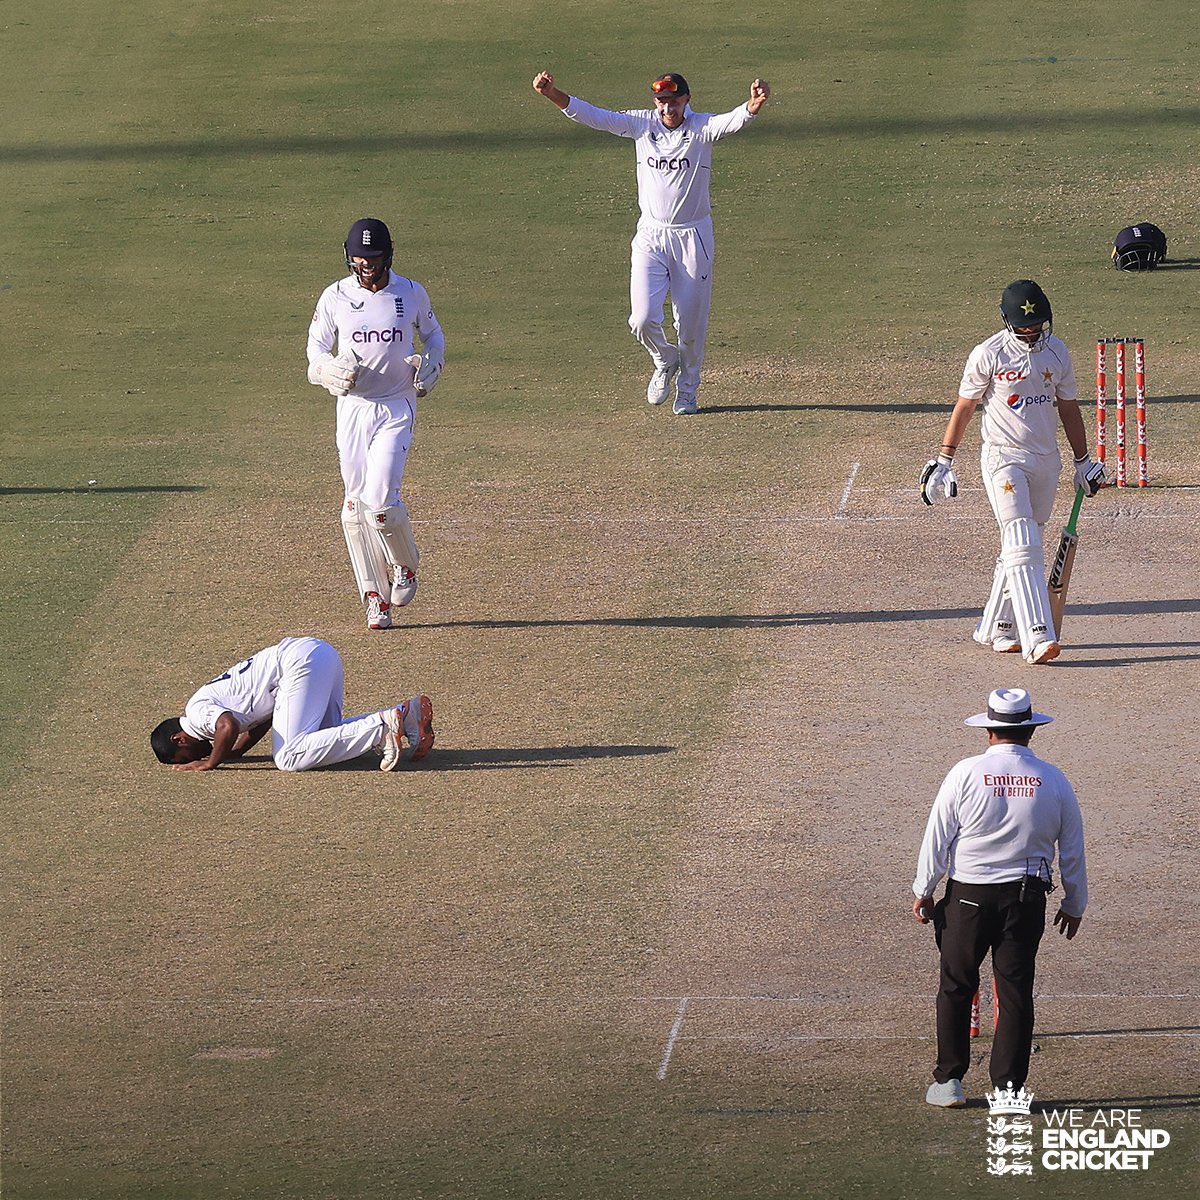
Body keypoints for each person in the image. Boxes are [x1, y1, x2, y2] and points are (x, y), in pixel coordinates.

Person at [532, 69, 770, 415]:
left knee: (690, 324)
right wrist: (553, 94)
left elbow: (732, 121)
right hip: (651, 235)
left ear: (686, 100)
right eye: (662, 101)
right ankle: (664, 358)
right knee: (641, 319)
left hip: (693, 237)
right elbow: (597, 117)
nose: (667, 107)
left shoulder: (701, 128)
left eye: (674, 100)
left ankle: (687, 390)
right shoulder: (643, 125)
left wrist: (752, 105)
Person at [911, 687, 1088, 1108]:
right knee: (1014, 990)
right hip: (1026, 900)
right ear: (1031, 731)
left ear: (989, 730)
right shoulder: (1054, 779)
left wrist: (924, 889)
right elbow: (1073, 847)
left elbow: (938, 837)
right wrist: (1074, 902)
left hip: (968, 896)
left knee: (956, 985)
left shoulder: (965, 773)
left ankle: (949, 1081)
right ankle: (1008, 1090)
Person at [919, 280, 1105, 665]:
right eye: (1025, 325)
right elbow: (966, 406)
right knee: (1021, 537)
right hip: (1003, 457)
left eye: (1038, 323)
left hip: (1046, 459)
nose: (1032, 330)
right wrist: (945, 459)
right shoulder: (989, 354)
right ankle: (1038, 634)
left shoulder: (1057, 352)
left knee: (1027, 538)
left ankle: (996, 627)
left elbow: (1068, 409)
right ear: (1007, 321)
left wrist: (1083, 460)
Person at [307, 217, 445, 630]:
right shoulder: (334, 296)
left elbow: (434, 335)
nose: (367, 265)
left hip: (396, 405)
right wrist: (326, 371)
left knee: (381, 505)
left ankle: (404, 567)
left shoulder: (411, 292)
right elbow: (314, 351)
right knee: (354, 507)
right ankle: (374, 596)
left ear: (389, 255)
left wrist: (434, 362)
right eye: (360, 258)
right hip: (353, 408)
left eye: (375, 257)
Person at [150, 636, 434, 772]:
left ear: (180, 739)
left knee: (288, 757)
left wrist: (212, 762)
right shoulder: (205, 711)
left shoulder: (195, 713)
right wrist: (236, 752)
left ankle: (382, 729)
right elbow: (260, 720)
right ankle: (405, 715)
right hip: (318, 654)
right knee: (325, 737)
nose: (195, 758)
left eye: (187, 757)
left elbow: (229, 725)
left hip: (298, 664)